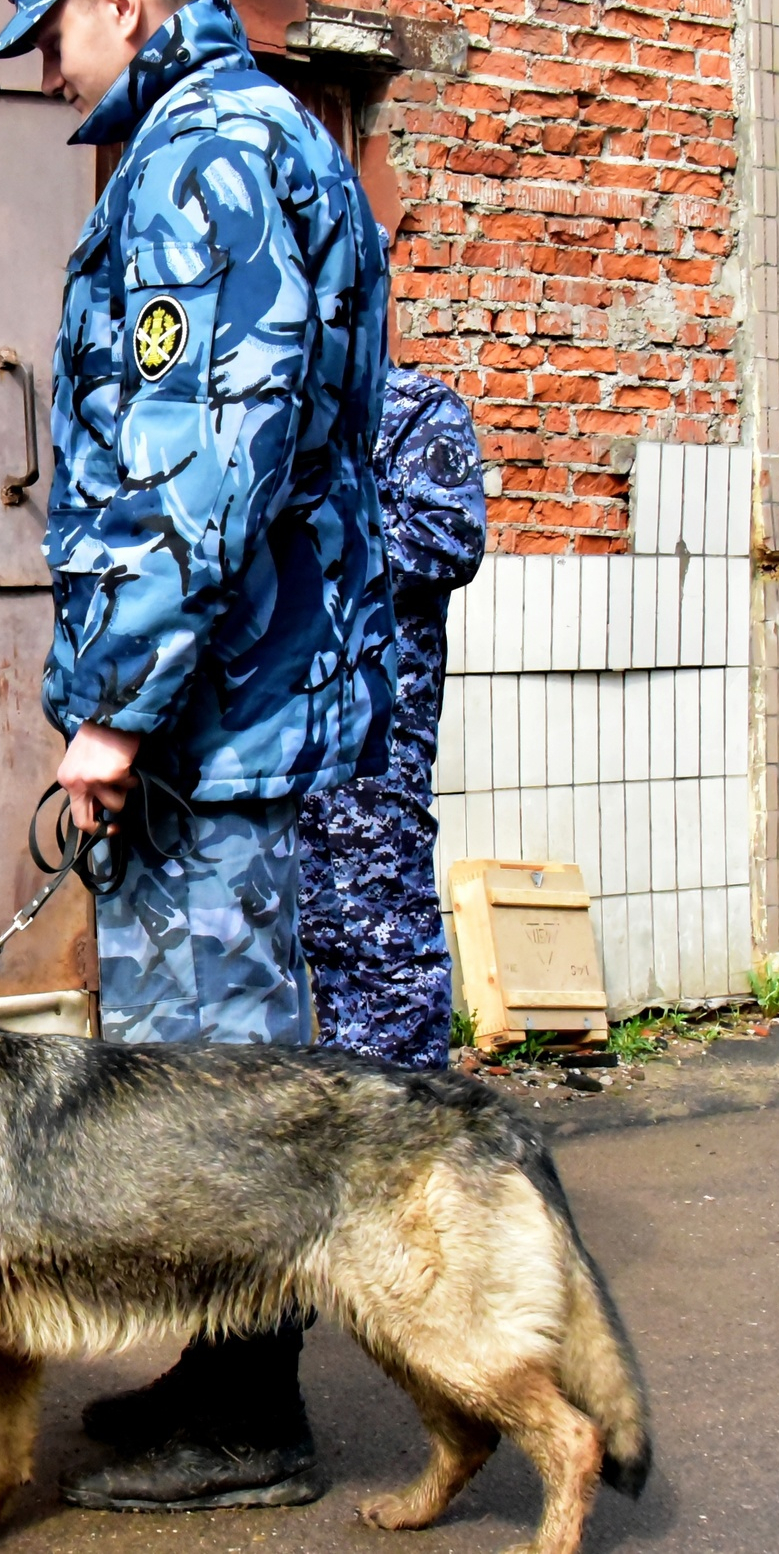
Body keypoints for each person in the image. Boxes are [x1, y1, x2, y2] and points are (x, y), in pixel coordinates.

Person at [0, 0, 398, 1514]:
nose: (42, 77)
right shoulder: (253, 135)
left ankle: (250, 1413)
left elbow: (200, 468)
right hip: (232, 691)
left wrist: (118, 710)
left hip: (210, 711)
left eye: (51, 41)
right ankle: (219, 1370)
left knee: (212, 1069)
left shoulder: (199, 162)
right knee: (201, 1052)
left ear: (125, 9)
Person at [300, 368, 487, 1067]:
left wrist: (312, 559)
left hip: (377, 736)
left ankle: (415, 1135)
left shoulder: (411, 406)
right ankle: (337, 1144)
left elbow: (448, 537)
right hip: (286, 734)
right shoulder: (280, 408)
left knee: (385, 942)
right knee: (311, 939)